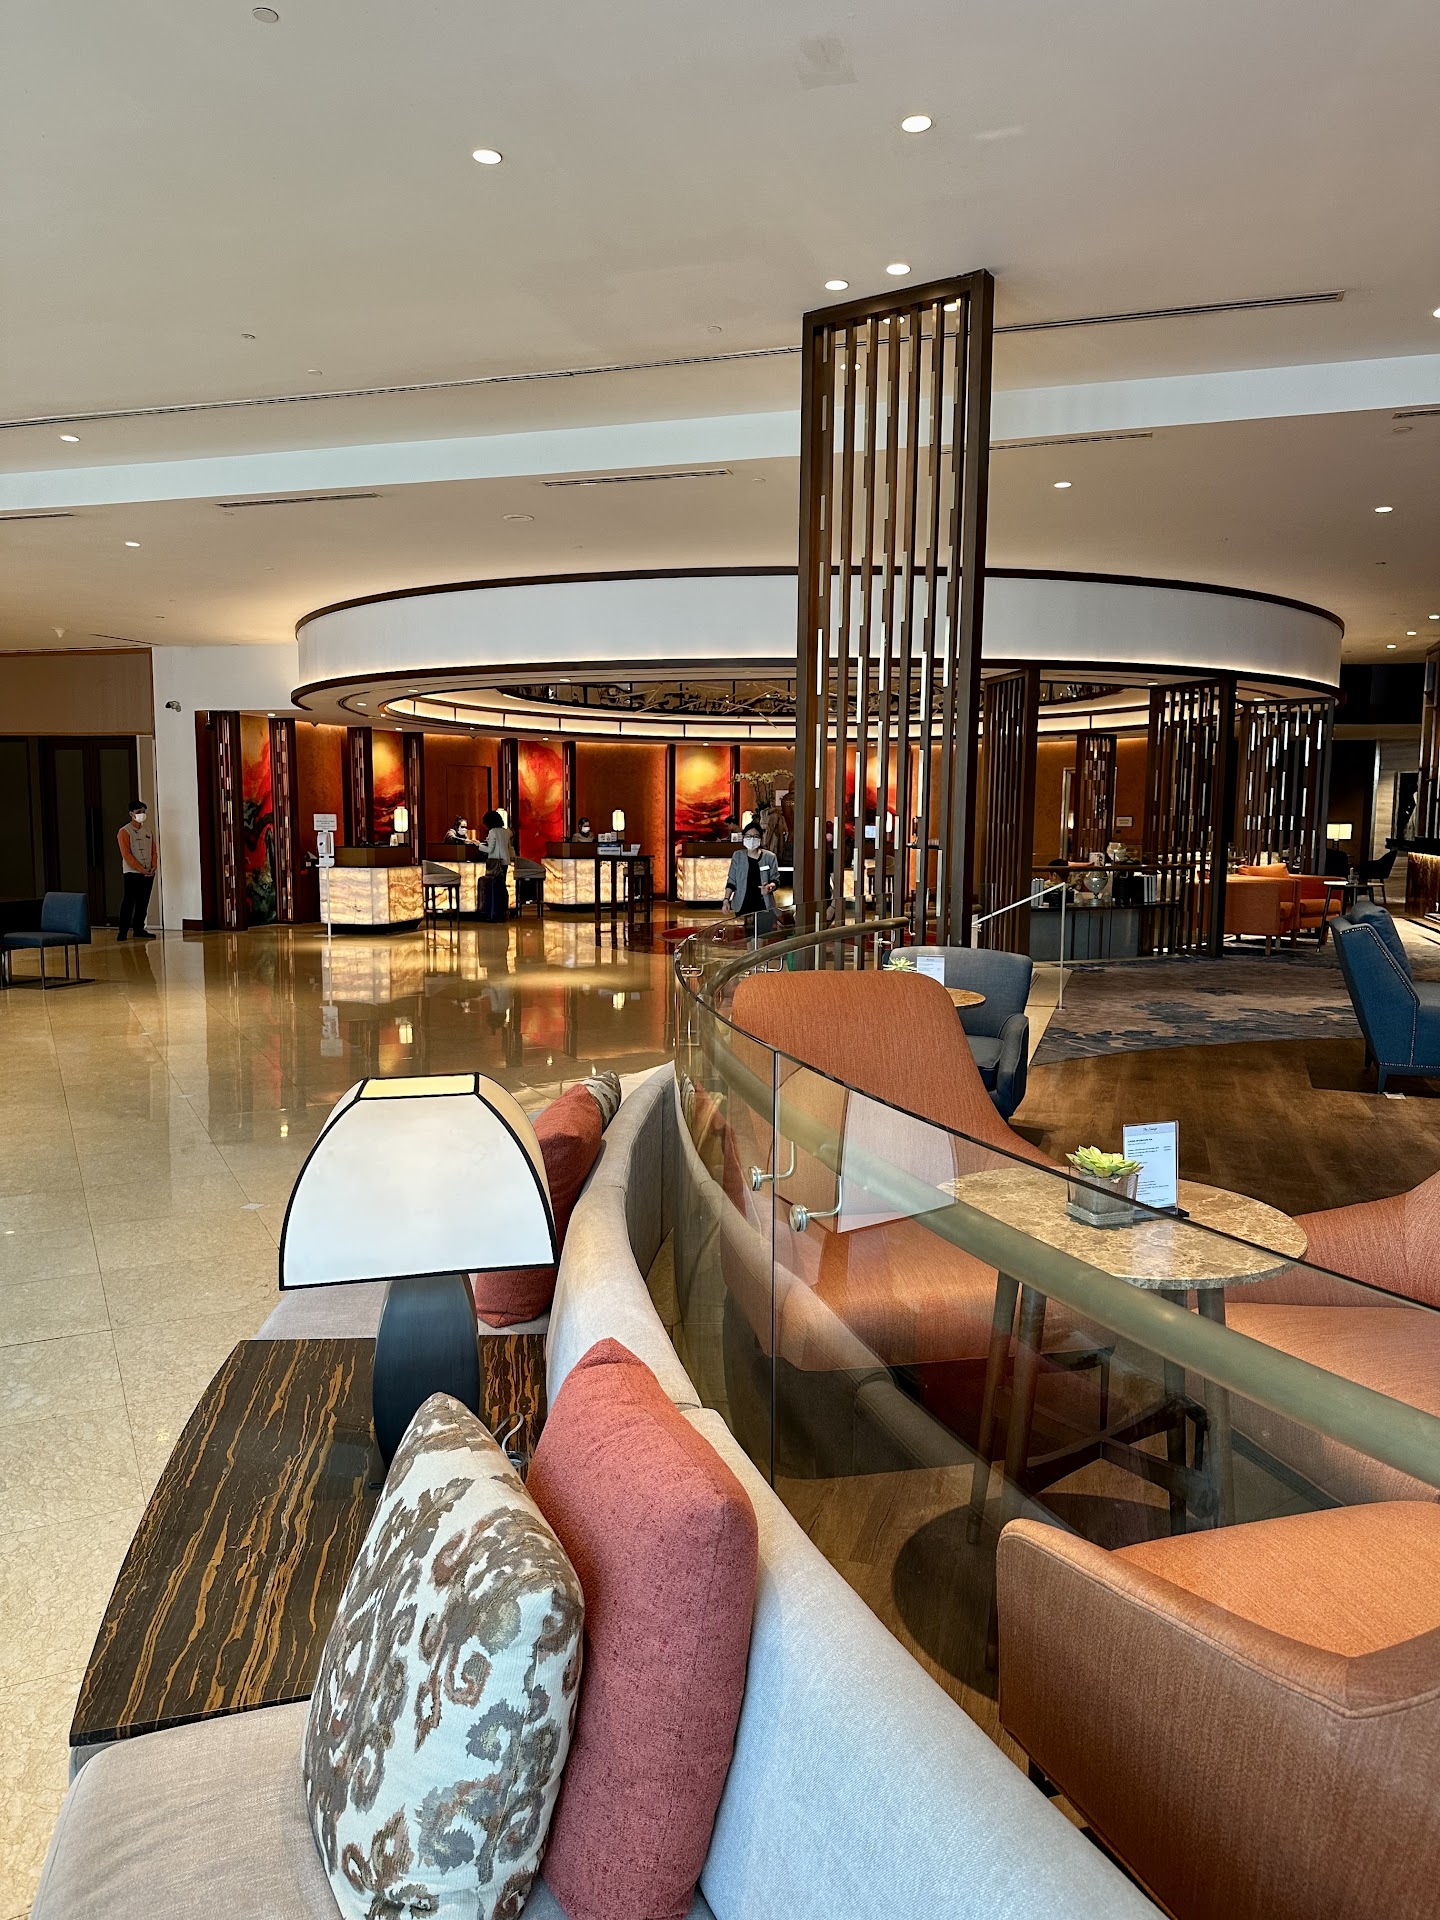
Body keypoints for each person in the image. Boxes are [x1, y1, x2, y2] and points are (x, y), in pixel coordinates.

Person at [116, 800, 157, 941]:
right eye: (139, 812)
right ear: (131, 814)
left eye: (143, 812)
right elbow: (126, 854)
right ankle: (122, 931)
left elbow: (153, 850)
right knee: (129, 901)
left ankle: (139, 928)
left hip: (148, 872)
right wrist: (141, 869)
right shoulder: (124, 831)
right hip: (132, 873)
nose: (142, 814)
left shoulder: (148, 831)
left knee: (143, 902)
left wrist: (153, 866)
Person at [722, 825, 779, 923]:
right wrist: (726, 899)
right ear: (743, 837)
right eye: (748, 836)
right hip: (742, 904)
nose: (752, 839)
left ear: (760, 838)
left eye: (756, 836)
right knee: (744, 932)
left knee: (763, 931)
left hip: (763, 904)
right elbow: (731, 881)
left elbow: (775, 880)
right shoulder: (738, 856)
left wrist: (770, 887)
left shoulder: (770, 857)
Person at [479, 808, 514, 920]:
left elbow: (490, 849)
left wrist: (478, 845)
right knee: (502, 886)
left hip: (495, 862)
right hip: (505, 861)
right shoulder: (506, 832)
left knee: (494, 886)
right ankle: (503, 910)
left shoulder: (492, 832)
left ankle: (494, 911)